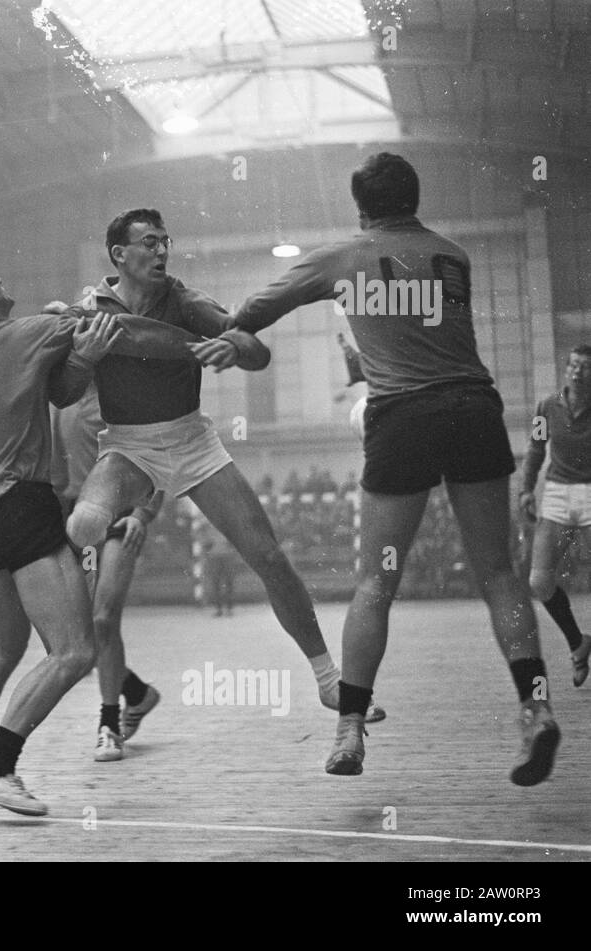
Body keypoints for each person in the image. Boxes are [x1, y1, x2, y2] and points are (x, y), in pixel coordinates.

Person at [231, 152, 556, 786]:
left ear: (361, 206)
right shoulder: (453, 254)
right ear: (415, 196)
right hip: (474, 407)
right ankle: (536, 704)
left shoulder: (342, 258)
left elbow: (252, 313)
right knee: (498, 574)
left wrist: (221, 334)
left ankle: (350, 728)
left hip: (403, 417)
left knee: (374, 584)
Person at [64, 208, 367, 726]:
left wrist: (233, 345)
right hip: (128, 448)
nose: (162, 252)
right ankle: (100, 676)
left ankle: (327, 679)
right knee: (84, 525)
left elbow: (257, 351)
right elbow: (64, 392)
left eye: (166, 242)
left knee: (268, 557)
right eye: (150, 243)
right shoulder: (88, 310)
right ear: (119, 255)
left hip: (192, 442)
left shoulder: (182, 300)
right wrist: (81, 357)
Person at [0, 249, 193, 815]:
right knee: (74, 650)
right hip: (22, 507)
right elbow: (111, 325)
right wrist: (202, 340)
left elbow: (58, 391)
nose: (1, 278)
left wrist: (79, 361)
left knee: (3, 647)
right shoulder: (29, 333)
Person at [50, 380, 162, 762]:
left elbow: (158, 455)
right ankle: (136, 692)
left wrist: (142, 514)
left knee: (103, 619)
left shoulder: (120, 395)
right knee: (70, 640)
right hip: (75, 520)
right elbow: (56, 476)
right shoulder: (59, 400)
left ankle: (108, 725)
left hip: (120, 516)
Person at [520, 345, 591, 687]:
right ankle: (578, 643)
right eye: (574, 365)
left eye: (586, 367)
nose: (578, 372)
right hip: (558, 494)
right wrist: (525, 489)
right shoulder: (546, 407)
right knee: (539, 581)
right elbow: (535, 450)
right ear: (566, 369)